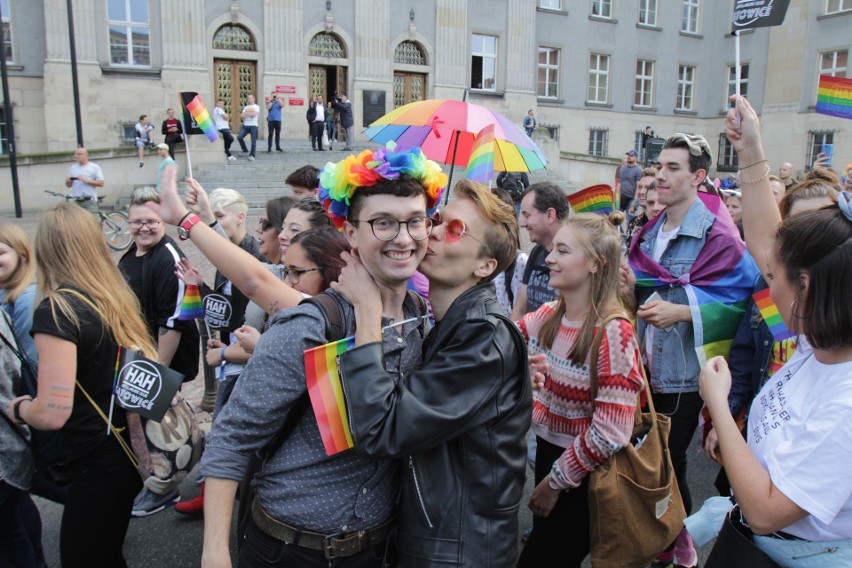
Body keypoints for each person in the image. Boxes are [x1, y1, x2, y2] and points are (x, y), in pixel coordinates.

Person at [165, 146, 443, 567]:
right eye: (383, 223)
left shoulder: (420, 318)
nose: (403, 238)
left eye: (414, 221)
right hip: (290, 550)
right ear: (350, 234)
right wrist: (215, 552)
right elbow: (233, 437)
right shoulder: (312, 325)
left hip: (375, 547)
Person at [332, 178, 531, 567]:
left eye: (455, 229)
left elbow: (381, 429)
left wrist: (368, 313)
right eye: (437, 219)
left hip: (458, 551)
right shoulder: (451, 324)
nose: (434, 232)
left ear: (485, 266)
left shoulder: (484, 337)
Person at [699, 94, 852, 567]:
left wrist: (719, 405)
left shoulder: (845, 403)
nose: (767, 281)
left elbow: (765, 510)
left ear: (804, 286)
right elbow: (769, 243)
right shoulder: (821, 340)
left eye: (775, 277)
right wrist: (750, 150)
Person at [628, 133, 759, 567]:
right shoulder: (650, 230)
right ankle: (671, 543)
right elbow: (641, 286)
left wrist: (682, 313)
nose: (660, 176)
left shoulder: (717, 233)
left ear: (698, 176)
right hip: (646, 366)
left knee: (663, 462)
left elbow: (744, 298)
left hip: (686, 372)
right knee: (658, 463)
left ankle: (675, 547)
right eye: (659, 166)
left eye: (673, 168)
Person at [7, 203, 157, 567]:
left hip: (96, 457)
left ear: (45, 250)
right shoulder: (112, 295)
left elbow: (52, 412)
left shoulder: (58, 310)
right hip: (128, 450)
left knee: (85, 556)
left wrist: (19, 408)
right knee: (105, 551)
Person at [517, 211, 644, 567]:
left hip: (585, 476)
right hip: (549, 454)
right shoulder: (552, 313)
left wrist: (556, 482)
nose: (550, 258)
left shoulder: (614, 332)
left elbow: (610, 431)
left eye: (563, 250)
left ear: (594, 264)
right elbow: (505, 338)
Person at [118, 187, 200, 517]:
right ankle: (150, 479)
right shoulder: (132, 252)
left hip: (159, 362)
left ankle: (163, 488)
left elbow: (173, 324)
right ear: (127, 222)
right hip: (139, 357)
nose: (144, 228)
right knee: (140, 428)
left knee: (159, 433)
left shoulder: (169, 259)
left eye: (151, 221)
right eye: (138, 222)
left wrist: (157, 378)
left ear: (162, 221)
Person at [511, 183, 569, 321]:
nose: (522, 224)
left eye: (527, 215)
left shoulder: (577, 256)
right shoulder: (537, 252)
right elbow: (520, 309)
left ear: (550, 215)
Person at [237, 95, 260, 161]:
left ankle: (252, 155)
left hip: (253, 125)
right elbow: (241, 115)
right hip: (245, 125)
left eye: (251, 98)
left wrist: (246, 114)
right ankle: (245, 150)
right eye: (248, 98)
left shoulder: (256, 107)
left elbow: (254, 115)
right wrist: (249, 114)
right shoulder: (246, 107)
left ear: (254, 99)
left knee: (253, 141)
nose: (249, 99)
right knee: (239, 137)